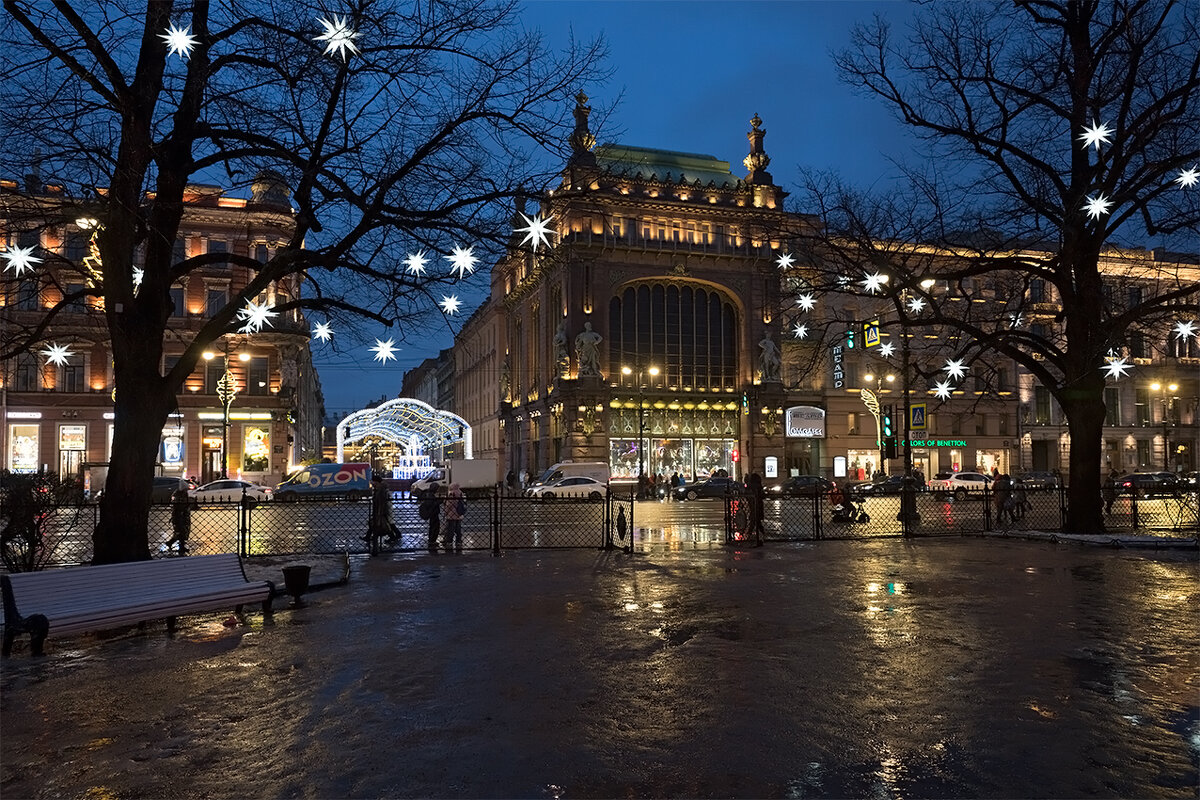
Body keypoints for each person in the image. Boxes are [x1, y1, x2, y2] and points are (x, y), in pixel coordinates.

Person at [166, 487, 191, 554]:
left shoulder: (181, 494)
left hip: (182, 515)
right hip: (180, 516)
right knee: (181, 531)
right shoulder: (179, 495)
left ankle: (177, 544)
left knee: (182, 531)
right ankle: (179, 545)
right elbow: (179, 505)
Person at [442, 483, 465, 551]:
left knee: (450, 529)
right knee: (458, 529)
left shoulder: (451, 494)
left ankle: (449, 541)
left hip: (451, 515)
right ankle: (458, 541)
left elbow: (449, 505)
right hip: (459, 514)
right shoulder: (461, 493)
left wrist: (445, 512)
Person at [746, 472, 766, 546]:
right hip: (759, 505)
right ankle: (760, 534)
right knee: (757, 521)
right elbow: (763, 496)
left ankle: (750, 534)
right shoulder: (758, 486)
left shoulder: (750, 486)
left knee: (754, 520)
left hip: (753, 505)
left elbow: (747, 494)